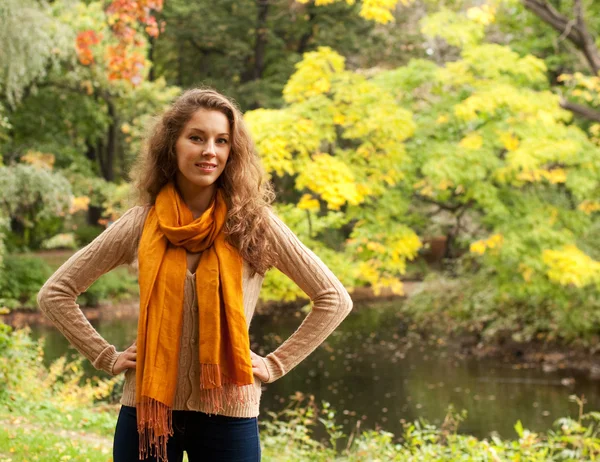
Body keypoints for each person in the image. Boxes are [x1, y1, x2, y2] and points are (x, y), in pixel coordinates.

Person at [37, 88, 353, 462]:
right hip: (148, 410)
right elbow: (55, 292)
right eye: (197, 138)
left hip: (229, 413)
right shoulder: (141, 223)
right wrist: (105, 356)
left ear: (232, 152)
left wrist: (274, 363)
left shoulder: (253, 225)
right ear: (172, 146)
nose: (210, 151)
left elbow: (333, 299)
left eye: (222, 141)